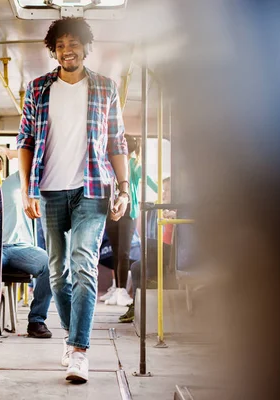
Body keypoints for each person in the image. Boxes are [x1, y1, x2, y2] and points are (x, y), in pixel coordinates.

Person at [16, 16, 129, 383]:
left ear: (86, 47)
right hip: (48, 191)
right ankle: (71, 336)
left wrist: (124, 188)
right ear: (54, 50)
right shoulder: (37, 89)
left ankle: (79, 351)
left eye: (74, 43)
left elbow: (117, 143)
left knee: (83, 264)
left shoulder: (105, 88)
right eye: (61, 45)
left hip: (92, 190)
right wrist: (27, 190)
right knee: (57, 274)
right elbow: (26, 143)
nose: (68, 50)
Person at [0, 152, 53, 338]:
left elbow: (29, 164)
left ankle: (37, 320)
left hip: (17, 247)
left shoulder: (12, 183)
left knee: (50, 264)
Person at [101, 136, 159, 307]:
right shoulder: (115, 165)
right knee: (116, 252)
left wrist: (158, 200)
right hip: (112, 211)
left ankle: (121, 289)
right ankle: (118, 288)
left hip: (129, 211)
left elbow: (152, 185)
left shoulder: (134, 165)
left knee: (124, 252)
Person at [119, 177, 174, 323]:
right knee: (137, 266)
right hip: (165, 251)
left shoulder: (178, 212)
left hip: (173, 255)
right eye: (164, 190)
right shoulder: (164, 210)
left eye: (168, 190)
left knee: (148, 249)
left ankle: (146, 295)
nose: (164, 193)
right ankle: (137, 305)